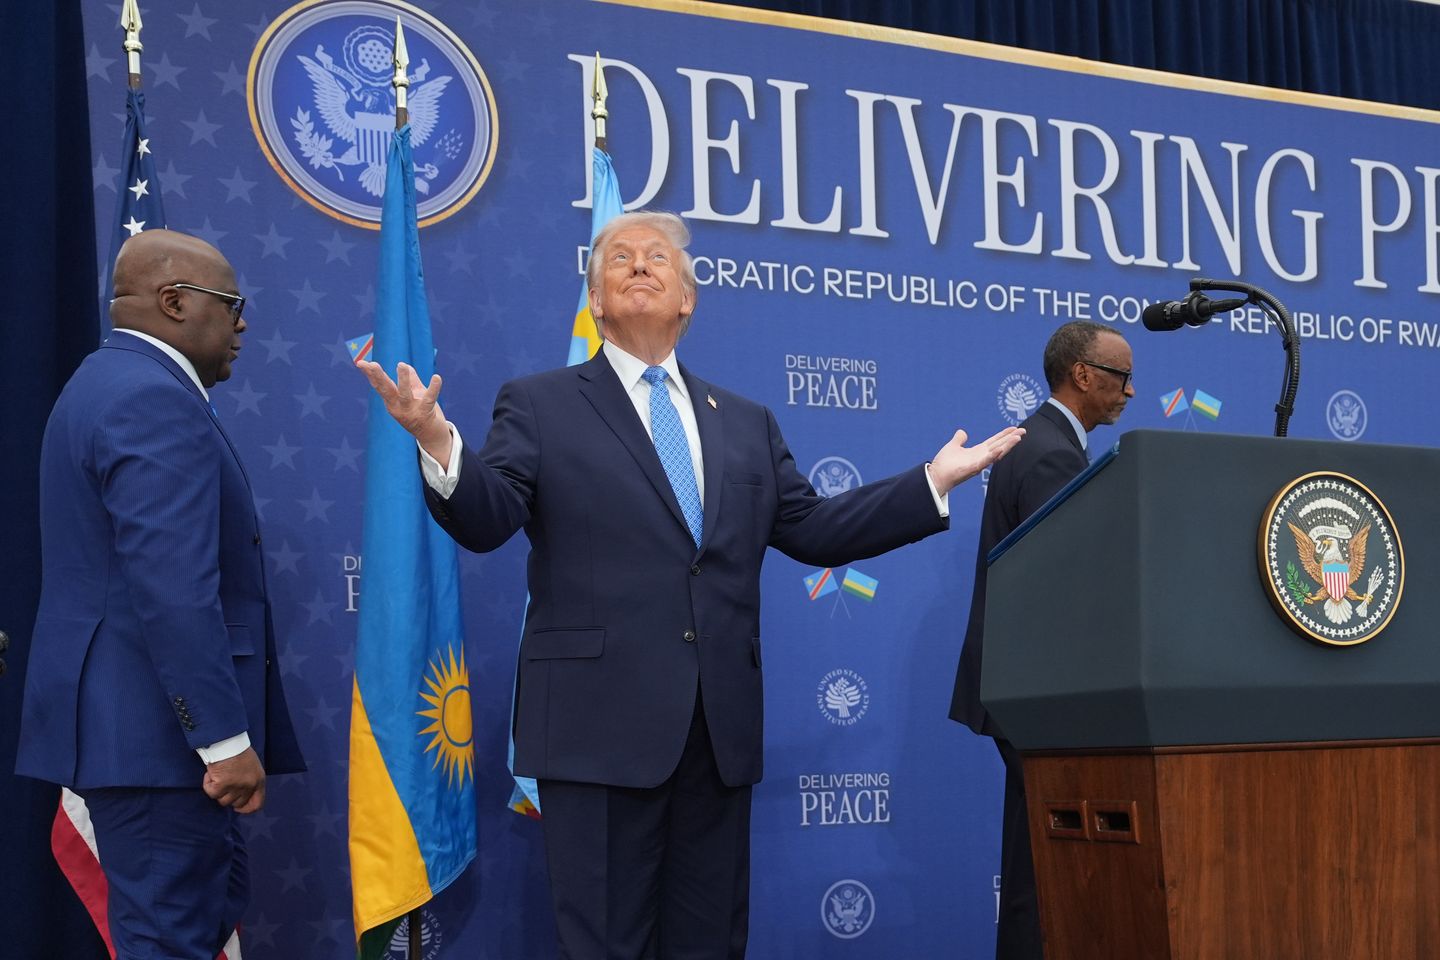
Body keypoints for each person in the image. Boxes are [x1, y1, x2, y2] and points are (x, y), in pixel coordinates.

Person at [360, 210, 1023, 960]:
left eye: (657, 258)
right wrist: (435, 437)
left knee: (709, 945)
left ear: (688, 299)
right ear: (596, 300)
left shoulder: (746, 421)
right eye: (619, 259)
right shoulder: (540, 402)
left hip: (717, 732)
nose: (639, 265)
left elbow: (815, 529)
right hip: (596, 732)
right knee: (606, 946)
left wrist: (932, 480)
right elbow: (489, 517)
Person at [17, 229, 304, 959]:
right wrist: (224, 741)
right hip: (157, 745)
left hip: (137, 740)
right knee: (169, 944)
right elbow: (174, 589)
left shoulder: (105, 382)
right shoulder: (150, 398)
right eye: (233, 305)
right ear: (174, 302)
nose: (242, 325)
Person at [948, 320, 1134, 960]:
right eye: (1121, 377)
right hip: (1041, 694)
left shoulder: (1042, 440)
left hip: (1024, 690)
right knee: (1045, 869)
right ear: (1083, 375)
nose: (1130, 392)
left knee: (1033, 863)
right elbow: (1063, 585)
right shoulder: (1054, 453)